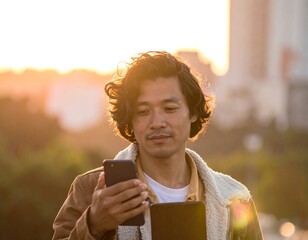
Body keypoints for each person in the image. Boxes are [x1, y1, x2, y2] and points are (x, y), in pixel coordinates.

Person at [52, 51, 263, 240]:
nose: (157, 122)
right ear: (130, 120)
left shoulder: (234, 199)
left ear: (193, 112)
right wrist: (93, 225)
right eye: (143, 111)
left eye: (170, 108)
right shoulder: (91, 190)